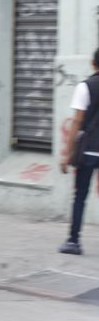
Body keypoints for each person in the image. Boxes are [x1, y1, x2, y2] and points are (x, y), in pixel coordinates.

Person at [58, 48, 99, 256]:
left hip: (89, 150)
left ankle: (74, 241)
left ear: (93, 63)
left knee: (80, 196)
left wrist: (67, 153)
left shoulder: (85, 87)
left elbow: (77, 121)